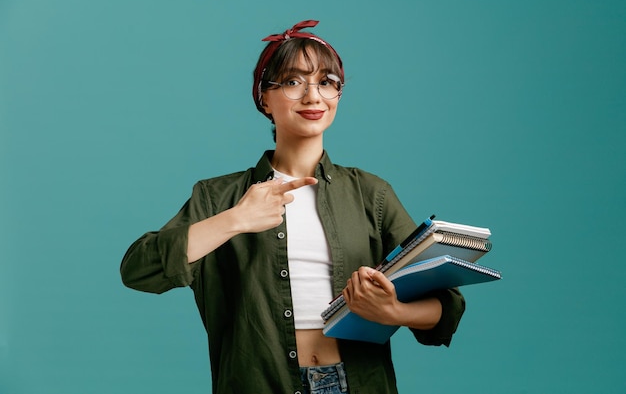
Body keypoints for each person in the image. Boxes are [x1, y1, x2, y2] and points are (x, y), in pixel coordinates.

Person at [120, 20, 465, 394]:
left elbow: (446, 305)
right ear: (263, 98)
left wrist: (394, 313)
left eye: (326, 82)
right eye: (292, 81)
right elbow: (140, 270)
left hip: (359, 383)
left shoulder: (371, 194)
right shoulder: (218, 198)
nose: (313, 96)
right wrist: (235, 219)